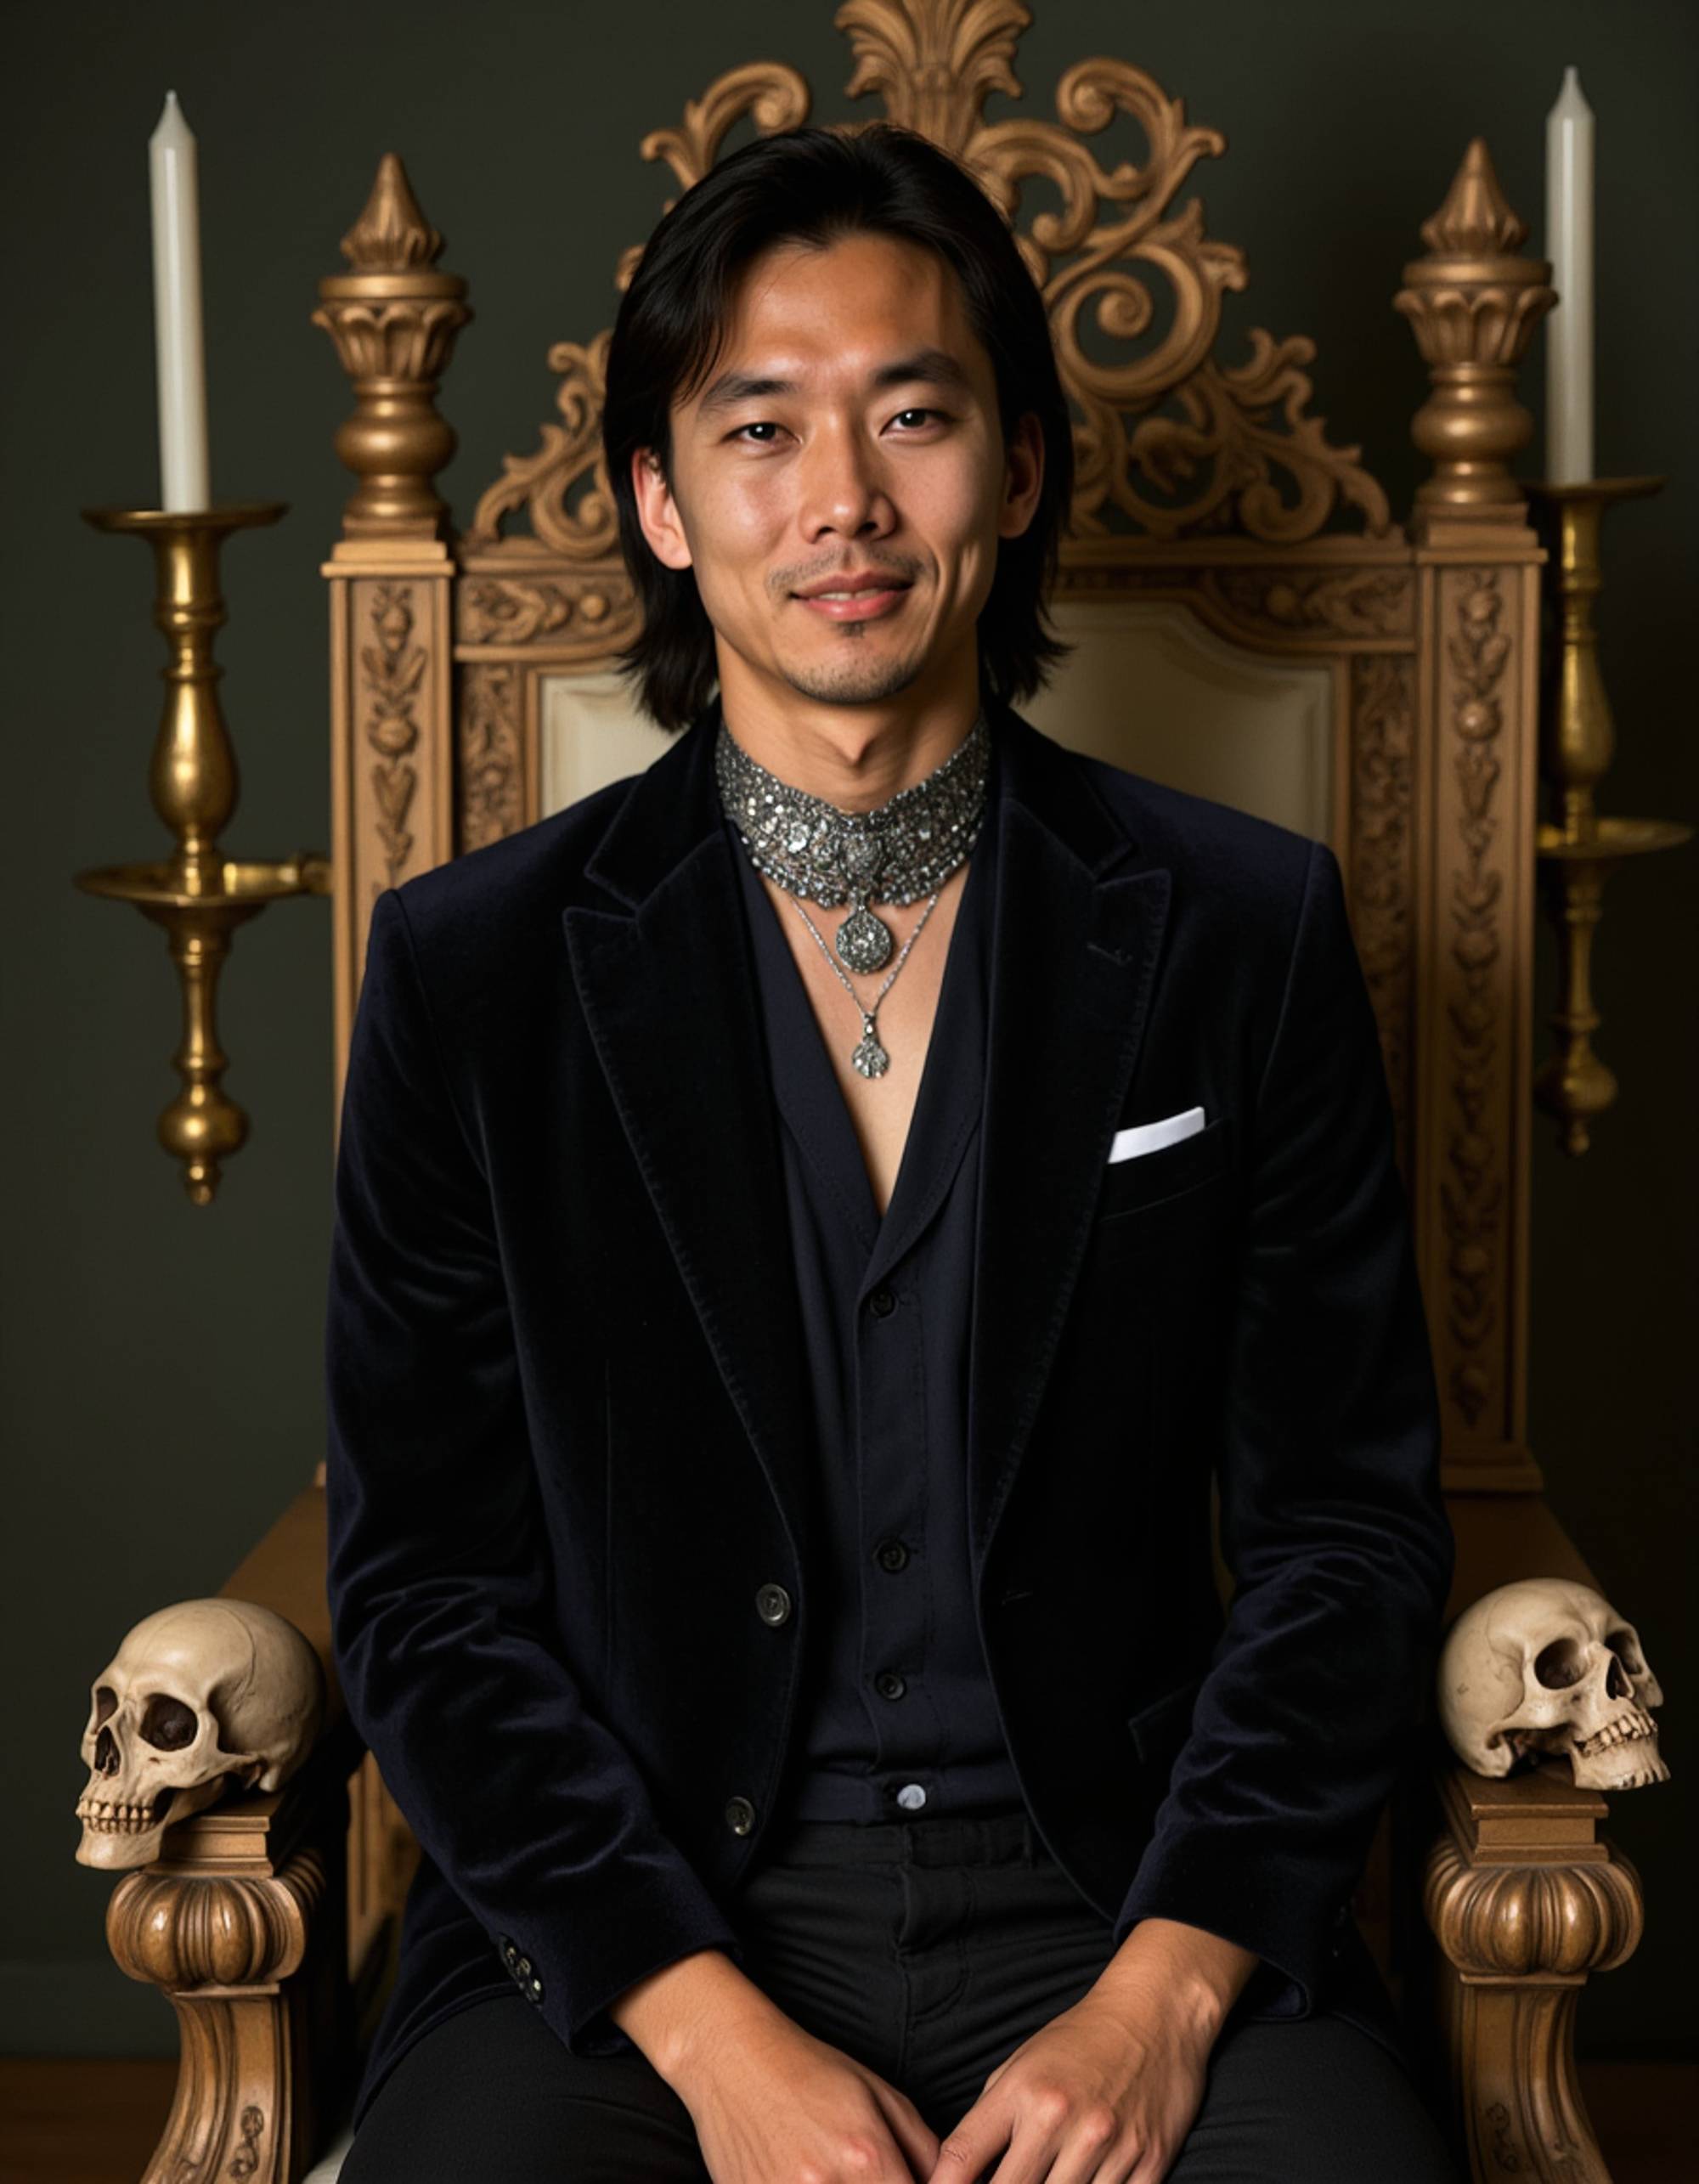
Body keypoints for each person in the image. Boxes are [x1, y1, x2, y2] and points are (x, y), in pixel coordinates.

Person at [326, 122, 1465, 2182]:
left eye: (913, 415)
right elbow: (423, 1584)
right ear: (661, 504)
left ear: (1015, 472)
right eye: (758, 429)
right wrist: (705, 2029)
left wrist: (1166, 1989)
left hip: (1128, 1891)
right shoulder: (471, 977)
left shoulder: (1238, 927)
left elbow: (1347, 1536)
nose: (842, 502)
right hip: (635, 1923)